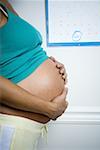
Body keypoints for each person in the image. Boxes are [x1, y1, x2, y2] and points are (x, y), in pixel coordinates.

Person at [0, 0, 68, 149]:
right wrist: (49, 109)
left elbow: (18, 49)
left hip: (24, 127)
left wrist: (48, 63)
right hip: (11, 125)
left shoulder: (3, 4)